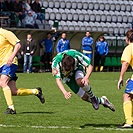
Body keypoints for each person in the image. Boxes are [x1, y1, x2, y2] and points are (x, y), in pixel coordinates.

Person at [0, 28, 45, 114]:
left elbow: (18, 45)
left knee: (2, 82)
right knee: (13, 91)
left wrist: (11, 57)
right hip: (1, 65)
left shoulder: (5, 33)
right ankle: (36, 91)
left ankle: (11, 108)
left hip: (9, 62)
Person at [118, 29, 133, 128]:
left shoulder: (129, 48)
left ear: (127, 39)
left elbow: (125, 63)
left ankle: (129, 122)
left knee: (127, 96)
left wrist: (121, 77)